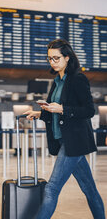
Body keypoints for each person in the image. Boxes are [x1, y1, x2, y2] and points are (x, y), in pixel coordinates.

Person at [24, 39, 106, 219]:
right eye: (49, 59)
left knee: (52, 188)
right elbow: (54, 110)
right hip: (62, 140)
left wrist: (62, 109)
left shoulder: (77, 78)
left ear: (67, 58)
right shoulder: (57, 81)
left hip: (73, 142)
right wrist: (40, 112)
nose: (52, 62)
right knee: (89, 190)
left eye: (56, 58)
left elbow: (88, 110)